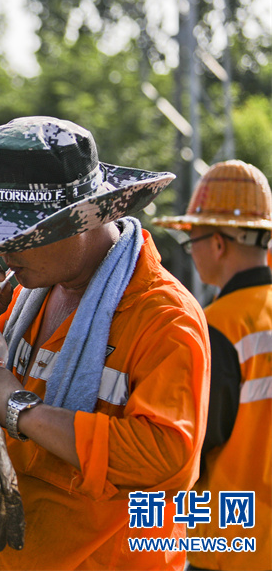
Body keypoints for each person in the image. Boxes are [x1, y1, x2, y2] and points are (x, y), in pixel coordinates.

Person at [0, 116, 211, 570]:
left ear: (85, 218)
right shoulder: (22, 298)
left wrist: (19, 406)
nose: (5, 252)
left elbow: (163, 458)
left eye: (22, 236)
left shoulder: (163, 318)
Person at [153, 160, 272, 571]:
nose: (194, 252)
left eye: (193, 241)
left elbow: (190, 450)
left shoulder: (219, 326)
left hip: (232, 546)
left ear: (218, 244)